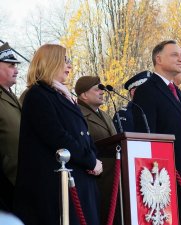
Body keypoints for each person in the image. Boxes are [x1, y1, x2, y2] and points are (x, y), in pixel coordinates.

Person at [14, 44, 102, 225]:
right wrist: (90, 160)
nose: (69, 65)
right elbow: (57, 136)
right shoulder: (38, 95)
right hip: (55, 188)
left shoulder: (63, 95)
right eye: (65, 60)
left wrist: (94, 158)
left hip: (79, 181)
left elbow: (83, 134)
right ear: (51, 62)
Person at [133, 40, 181, 225]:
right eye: (174, 55)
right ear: (159, 59)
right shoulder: (146, 91)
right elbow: (147, 137)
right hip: (164, 178)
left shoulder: (178, 93)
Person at [75, 75, 117, 225]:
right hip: (96, 177)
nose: (102, 92)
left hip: (114, 175)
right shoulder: (77, 113)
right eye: (97, 89)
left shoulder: (104, 114)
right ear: (84, 95)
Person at [0, 42, 21, 211]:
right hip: (5, 183)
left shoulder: (13, 97)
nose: (17, 70)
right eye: (11, 65)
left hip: (20, 180)